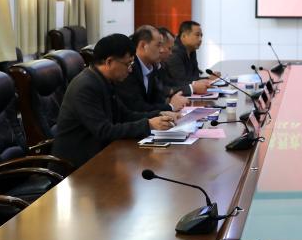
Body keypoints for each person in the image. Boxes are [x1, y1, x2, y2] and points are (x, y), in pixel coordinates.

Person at [52, 34, 174, 168]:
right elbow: (104, 131)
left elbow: (125, 115)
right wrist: (148, 125)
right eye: (127, 64)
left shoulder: (104, 81)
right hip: (75, 165)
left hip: (98, 155)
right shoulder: (85, 87)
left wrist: (159, 115)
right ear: (109, 62)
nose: (130, 69)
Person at [116, 26, 187, 114]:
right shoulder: (129, 68)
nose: (161, 50)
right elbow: (136, 107)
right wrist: (171, 106)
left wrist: (169, 104)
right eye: (158, 45)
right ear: (143, 45)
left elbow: (157, 100)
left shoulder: (152, 66)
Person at [163, 20, 210, 95]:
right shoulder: (174, 53)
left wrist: (208, 79)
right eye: (197, 35)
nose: (200, 39)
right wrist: (199, 83)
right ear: (184, 36)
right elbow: (179, 82)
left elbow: (195, 77)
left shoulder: (192, 50)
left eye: (201, 36)